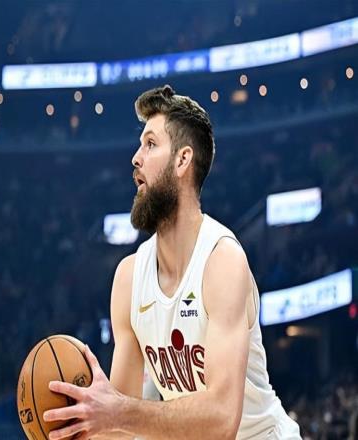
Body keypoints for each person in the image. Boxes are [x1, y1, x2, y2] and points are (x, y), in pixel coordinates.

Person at [43, 85, 301, 439]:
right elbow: (118, 428)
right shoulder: (129, 278)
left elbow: (222, 419)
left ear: (182, 160)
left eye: (150, 144)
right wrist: (81, 421)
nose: (136, 158)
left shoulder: (222, 260)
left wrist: (117, 411)